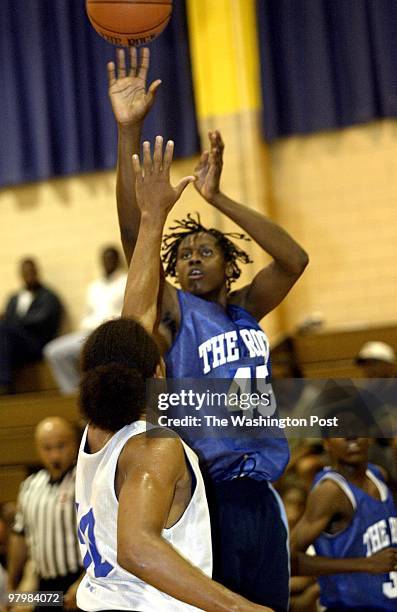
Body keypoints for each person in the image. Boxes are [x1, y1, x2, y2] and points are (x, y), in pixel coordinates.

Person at [108, 48, 309, 610]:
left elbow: (294, 259)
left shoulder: (246, 308)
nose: (192, 259)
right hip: (205, 495)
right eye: (184, 254)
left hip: (261, 495)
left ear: (230, 266)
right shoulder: (175, 311)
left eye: (205, 250)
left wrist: (217, 198)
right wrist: (130, 133)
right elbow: (135, 234)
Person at [75, 137, 271, 612]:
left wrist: (153, 218)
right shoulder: (154, 447)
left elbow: (136, 311)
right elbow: (138, 549)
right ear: (158, 369)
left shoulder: (98, 434)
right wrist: (242, 608)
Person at [291, 437, 397, 611]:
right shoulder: (330, 491)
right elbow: (287, 560)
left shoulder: (378, 475)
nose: (351, 437)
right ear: (326, 442)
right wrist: (365, 564)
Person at [7, 417, 83, 610]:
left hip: (79, 579)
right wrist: (12, 581)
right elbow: (19, 536)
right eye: (47, 448)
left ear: (74, 443)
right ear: (38, 449)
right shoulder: (30, 486)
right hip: (44, 585)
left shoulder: (85, 480)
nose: (54, 455)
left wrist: (85, 580)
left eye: (61, 446)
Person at [44, 246, 126, 394]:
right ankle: (74, 394)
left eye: (111, 258)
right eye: (105, 259)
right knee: (54, 351)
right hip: (88, 333)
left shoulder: (126, 281)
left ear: (117, 260)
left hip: (112, 333)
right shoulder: (94, 286)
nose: (107, 262)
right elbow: (87, 315)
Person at [0, 258, 63, 394]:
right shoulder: (14, 298)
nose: (28, 274)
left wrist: (12, 321)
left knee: (3, 329)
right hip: (15, 346)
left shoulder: (48, 297)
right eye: (25, 272)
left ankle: (4, 382)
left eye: (31, 271)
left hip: (37, 344)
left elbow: (40, 321)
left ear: (36, 272)